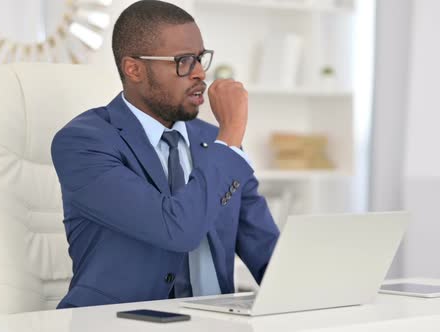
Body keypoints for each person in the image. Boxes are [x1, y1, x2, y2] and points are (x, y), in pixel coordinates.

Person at [51, 0, 279, 308]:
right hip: (117, 324)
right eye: (184, 61)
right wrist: (232, 131)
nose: (199, 73)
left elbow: (269, 254)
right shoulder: (83, 143)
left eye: (200, 59)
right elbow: (178, 229)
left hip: (218, 323)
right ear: (134, 69)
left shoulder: (216, 141)